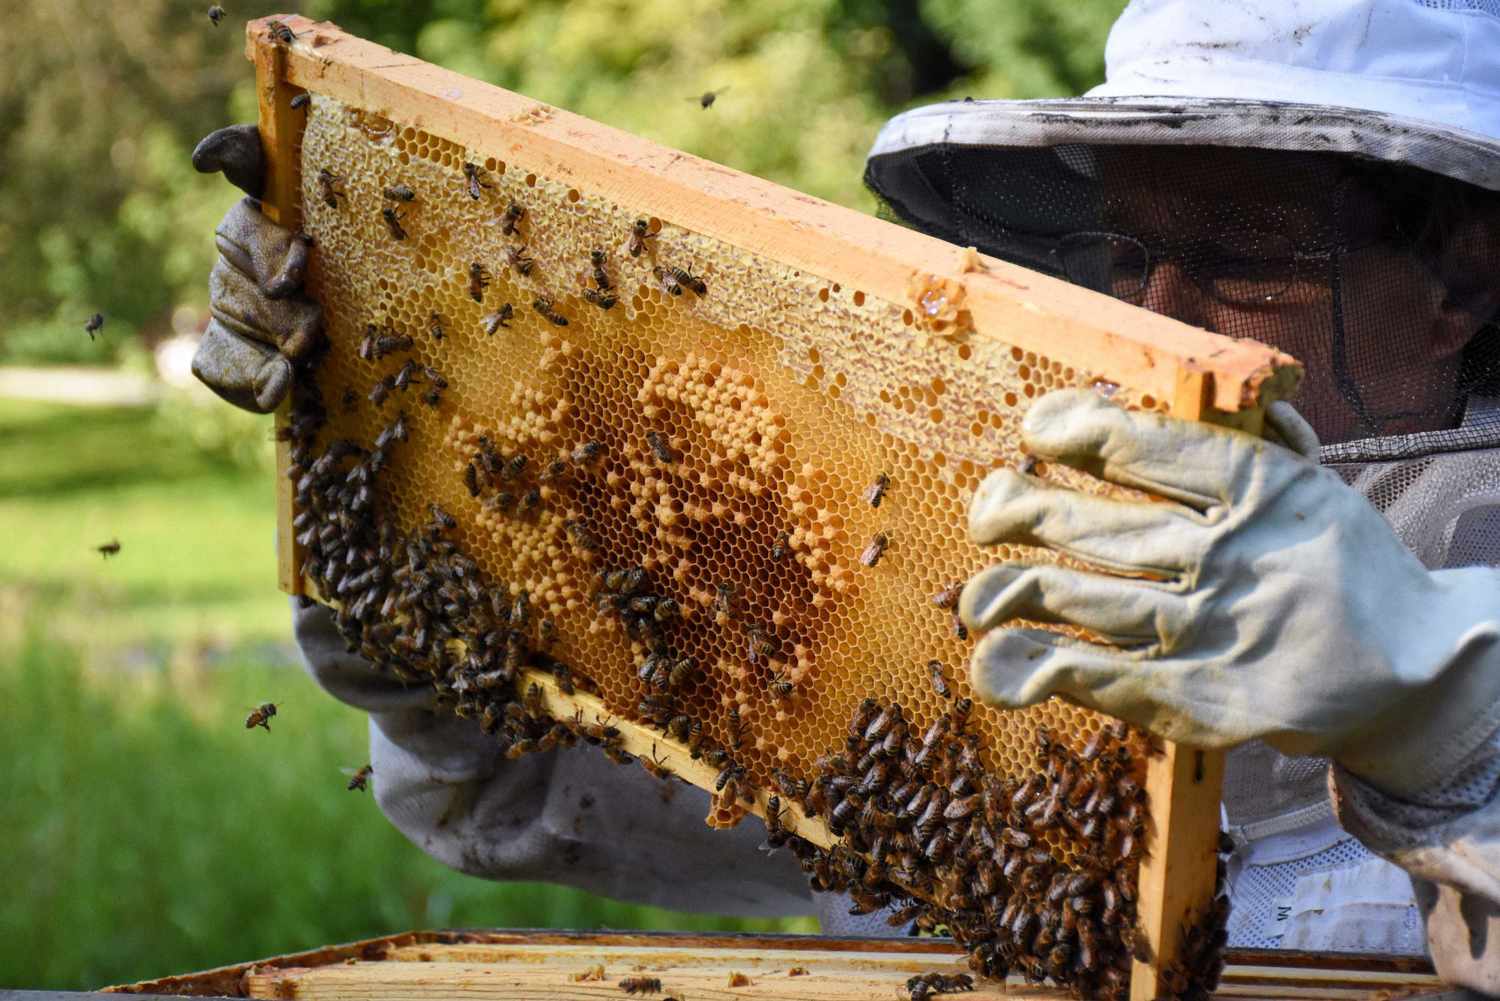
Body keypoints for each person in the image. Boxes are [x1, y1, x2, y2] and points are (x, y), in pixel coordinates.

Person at [192, 0, 1500, 991]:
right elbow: (526, 788)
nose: (1159, 320)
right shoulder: (984, 548)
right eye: (1132, 253)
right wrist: (393, 470)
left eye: (1241, 258)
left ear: (1462, 275)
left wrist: (1445, 716)